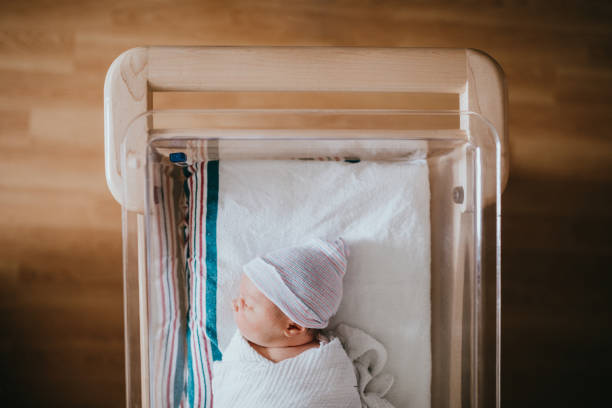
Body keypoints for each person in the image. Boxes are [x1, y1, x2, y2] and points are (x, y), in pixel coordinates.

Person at [212, 237, 361, 408]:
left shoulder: (329, 366)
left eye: (247, 304)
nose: (235, 304)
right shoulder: (241, 353)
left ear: (293, 326)